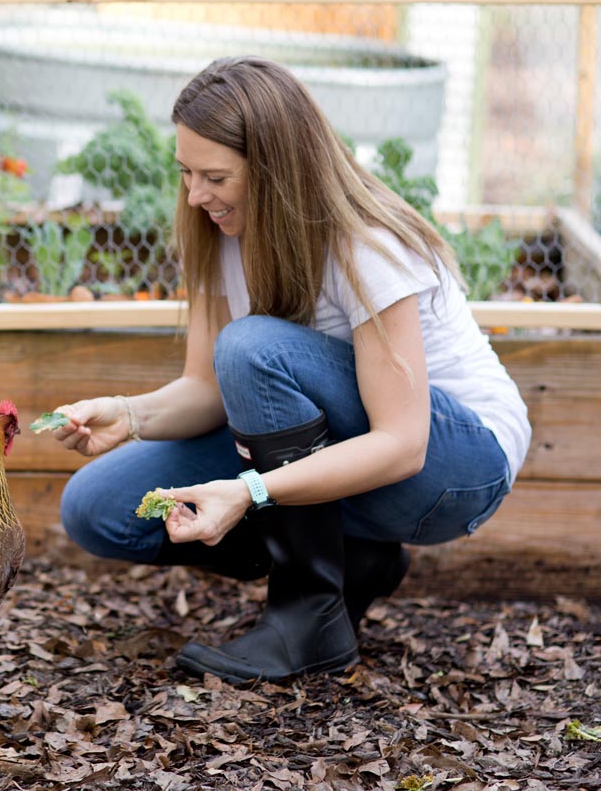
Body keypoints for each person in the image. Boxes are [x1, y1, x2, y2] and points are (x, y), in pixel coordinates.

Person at [50, 56, 531, 685]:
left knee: (253, 347)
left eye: (215, 176)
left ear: (276, 169)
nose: (195, 196)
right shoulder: (221, 233)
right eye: (186, 173)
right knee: (99, 507)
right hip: (356, 452)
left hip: (453, 469)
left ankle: (306, 618)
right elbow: (207, 390)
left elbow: (404, 444)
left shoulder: (363, 244)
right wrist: (132, 413)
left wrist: (250, 492)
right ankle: (354, 564)